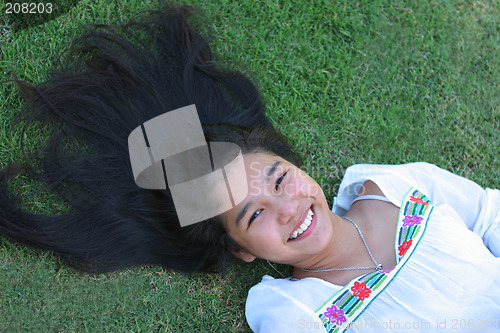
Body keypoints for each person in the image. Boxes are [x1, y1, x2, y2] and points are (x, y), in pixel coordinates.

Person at [1, 5, 499, 333]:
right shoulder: (293, 312)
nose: (287, 208)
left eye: (279, 178)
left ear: (294, 165)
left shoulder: (396, 185)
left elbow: (489, 216)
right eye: (253, 216)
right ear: (241, 251)